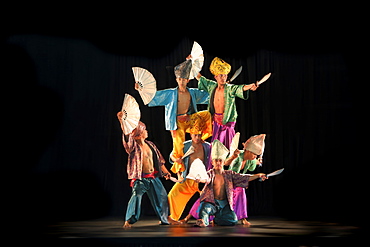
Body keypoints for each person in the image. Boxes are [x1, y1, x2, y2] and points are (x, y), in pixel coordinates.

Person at [140, 59, 212, 181]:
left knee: (206, 114)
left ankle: (202, 138)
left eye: (184, 79)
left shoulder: (192, 92)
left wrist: (221, 88)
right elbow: (154, 97)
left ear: (188, 80)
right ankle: (179, 172)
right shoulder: (171, 93)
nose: (182, 81)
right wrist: (141, 90)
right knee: (178, 148)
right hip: (176, 123)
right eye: (180, 79)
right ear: (176, 80)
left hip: (189, 120)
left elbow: (208, 95)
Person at [195, 57, 261, 168]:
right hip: (216, 123)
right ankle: (212, 174)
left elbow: (239, 88)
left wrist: (250, 86)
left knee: (229, 151)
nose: (224, 78)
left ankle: (230, 175)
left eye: (225, 75)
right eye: (221, 75)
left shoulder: (229, 89)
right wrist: (192, 63)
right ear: (216, 77)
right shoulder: (212, 86)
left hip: (227, 124)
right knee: (215, 150)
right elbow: (200, 78)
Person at [195, 140, 267, 227]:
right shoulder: (210, 173)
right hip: (211, 203)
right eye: (216, 161)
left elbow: (243, 177)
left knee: (233, 220)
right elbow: (205, 178)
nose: (218, 163)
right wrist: (200, 179)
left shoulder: (229, 174)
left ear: (223, 162)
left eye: (220, 161)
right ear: (212, 162)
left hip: (224, 204)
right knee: (204, 209)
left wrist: (258, 175)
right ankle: (203, 221)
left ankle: (217, 219)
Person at [117, 112, 171, 228]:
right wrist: (122, 122)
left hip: (153, 177)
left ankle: (164, 219)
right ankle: (129, 220)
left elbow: (160, 160)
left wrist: (166, 171)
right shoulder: (133, 147)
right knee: (136, 197)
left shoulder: (150, 144)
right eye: (144, 130)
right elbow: (127, 136)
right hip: (141, 178)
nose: (147, 132)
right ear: (140, 133)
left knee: (162, 196)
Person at [167, 133, 211, 224]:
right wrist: (176, 160)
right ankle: (172, 218)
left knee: (209, 198)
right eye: (195, 135)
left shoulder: (207, 146)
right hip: (188, 178)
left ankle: (208, 219)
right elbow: (172, 155)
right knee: (173, 194)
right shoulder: (185, 145)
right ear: (191, 135)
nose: (197, 138)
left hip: (202, 180)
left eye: (199, 135)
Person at [224, 134, 266, 226]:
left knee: (241, 191)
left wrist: (258, 171)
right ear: (247, 151)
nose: (255, 156)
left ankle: (243, 218)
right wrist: (232, 157)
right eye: (254, 154)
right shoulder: (237, 157)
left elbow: (252, 167)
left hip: (237, 181)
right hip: (226, 180)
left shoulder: (250, 160)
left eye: (256, 155)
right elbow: (227, 165)